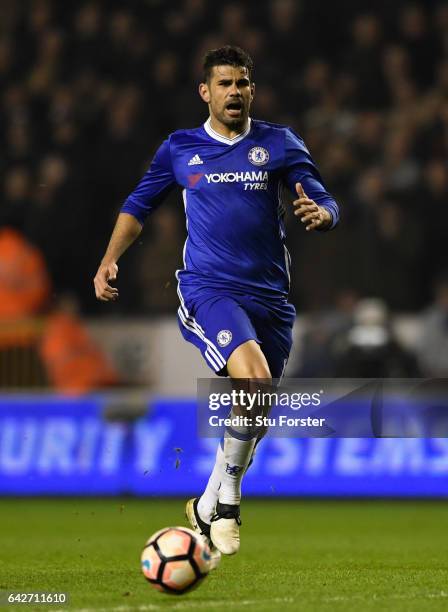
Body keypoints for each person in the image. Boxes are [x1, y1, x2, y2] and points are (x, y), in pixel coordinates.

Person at [94, 46, 339, 559]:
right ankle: (227, 502)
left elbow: (318, 192)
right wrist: (109, 259)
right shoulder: (180, 148)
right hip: (209, 288)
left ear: (253, 90)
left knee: (258, 407)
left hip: (270, 299)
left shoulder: (278, 143)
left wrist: (325, 213)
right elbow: (139, 205)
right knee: (253, 381)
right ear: (205, 91)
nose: (234, 92)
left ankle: (206, 502)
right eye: (224, 83)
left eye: (242, 83)